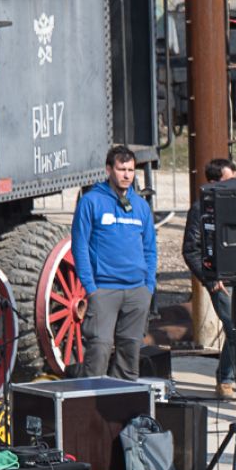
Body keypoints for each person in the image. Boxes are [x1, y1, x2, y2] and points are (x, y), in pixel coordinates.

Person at [71, 145, 158, 379]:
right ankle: (88, 409)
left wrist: (148, 287)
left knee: (129, 356)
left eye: (131, 169)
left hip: (137, 290)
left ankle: (121, 410)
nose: (127, 175)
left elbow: (150, 249)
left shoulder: (141, 207)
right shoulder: (91, 202)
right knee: (99, 350)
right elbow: (79, 247)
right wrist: (91, 288)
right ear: (109, 169)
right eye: (121, 169)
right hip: (104, 289)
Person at [179, 156, 236, 400]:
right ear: (215, 183)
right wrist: (210, 279)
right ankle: (225, 378)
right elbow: (190, 249)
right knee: (234, 328)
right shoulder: (200, 210)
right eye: (229, 181)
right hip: (219, 282)